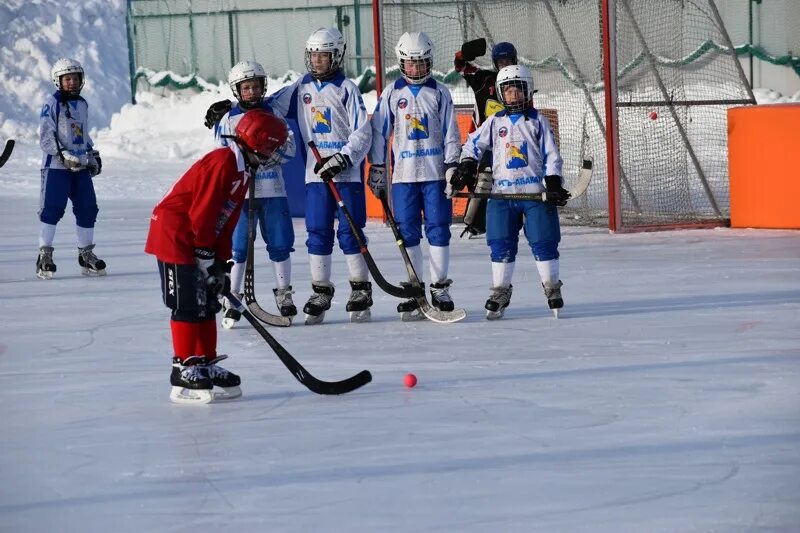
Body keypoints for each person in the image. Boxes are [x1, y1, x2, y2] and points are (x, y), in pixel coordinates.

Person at [145, 109, 290, 404]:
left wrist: (221, 262)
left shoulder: (243, 170)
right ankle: (183, 366)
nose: (275, 154)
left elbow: (226, 219)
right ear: (260, 143)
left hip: (197, 236)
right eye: (273, 147)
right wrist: (203, 252)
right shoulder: (223, 161)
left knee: (208, 302)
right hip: (175, 233)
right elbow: (204, 210)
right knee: (187, 302)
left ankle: (205, 362)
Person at [266, 27, 373, 325]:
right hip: (315, 177)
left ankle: (360, 289)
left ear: (336, 56)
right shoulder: (301, 87)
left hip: (346, 176)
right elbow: (269, 106)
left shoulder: (347, 88)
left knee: (350, 232)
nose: (317, 61)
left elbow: (363, 131)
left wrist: (343, 158)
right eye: (313, 55)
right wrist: (237, 109)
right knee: (317, 232)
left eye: (323, 56)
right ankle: (321, 291)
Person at [449, 65, 570, 320]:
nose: (514, 95)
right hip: (502, 194)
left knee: (544, 240)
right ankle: (500, 291)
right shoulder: (495, 122)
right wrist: (467, 164)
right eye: (509, 91)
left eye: (518, 90)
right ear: (501, 94)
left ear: (528, 91)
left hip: (534, 193)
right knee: (500, 242)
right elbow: (472, 143)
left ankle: (551, 286)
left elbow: (551, 155)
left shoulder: (538, 121)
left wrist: (553, 182)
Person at [368, 32, 461, 320]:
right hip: (403, 176)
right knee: (407, 231)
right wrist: (377, 166)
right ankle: (415, 285)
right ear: (402, 63)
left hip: (435, 174)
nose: (416, 68)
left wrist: (452, 166)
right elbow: (379, 132)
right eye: (411, 63)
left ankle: (439, 287)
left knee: (438, 228)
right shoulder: (392, 93)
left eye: (421, 63)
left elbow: (451, 132)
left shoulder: (440, 92)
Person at [212, 60, 297, 328]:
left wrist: (264, 156)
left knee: (280, 243)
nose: (251, 92)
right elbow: (221, 154)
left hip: (273, 190)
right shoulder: (228, 118)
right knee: (238, 247)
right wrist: (243, 162)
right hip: (241, 194)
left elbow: (290, 148)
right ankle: (233, 295)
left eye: (256, 86)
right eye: (246, 87)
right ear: (237, 90)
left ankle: (283, 292)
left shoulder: (273, 113)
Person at [36, 58, 105, 279]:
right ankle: (45, 255)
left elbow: (80, 133)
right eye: (67, 79)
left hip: (80, 166)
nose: (72, 82)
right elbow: (46, 135)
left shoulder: (82, 104)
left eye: (75, 78)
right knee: (52, 209)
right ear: (58, 81)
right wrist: (63, 155)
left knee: (88, 207)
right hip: (56, 167)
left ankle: (86, 254)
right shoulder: (52, 103)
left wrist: (91, 153)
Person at [453, 41, 519, 237]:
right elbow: (460, 67)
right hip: (483, 142)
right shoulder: (483, 79)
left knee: (510, 180)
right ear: (495, 63)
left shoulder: (521, 83)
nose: (505, 66)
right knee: (481, 180)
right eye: (501, 62)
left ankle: (514, 219)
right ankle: (475, 222)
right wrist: (463, 54)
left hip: (509, 143)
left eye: (508, 61)